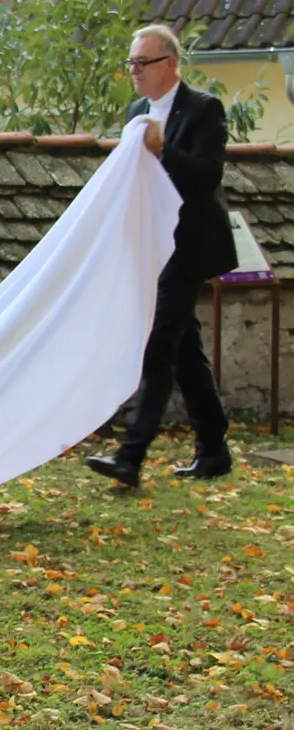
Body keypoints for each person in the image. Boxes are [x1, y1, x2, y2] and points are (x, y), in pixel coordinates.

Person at [85, 25, 238, 488]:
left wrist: (164, 150)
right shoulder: (136, 111)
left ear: (170, 64)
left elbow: (209, 175)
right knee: (185, 350)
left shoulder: (203, 109)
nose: (134, 71)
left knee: (158, 344)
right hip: (153, 245)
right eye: (130, 63)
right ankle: (214, 449)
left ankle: (131, 456)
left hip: (189, 246)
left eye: (142, 62)